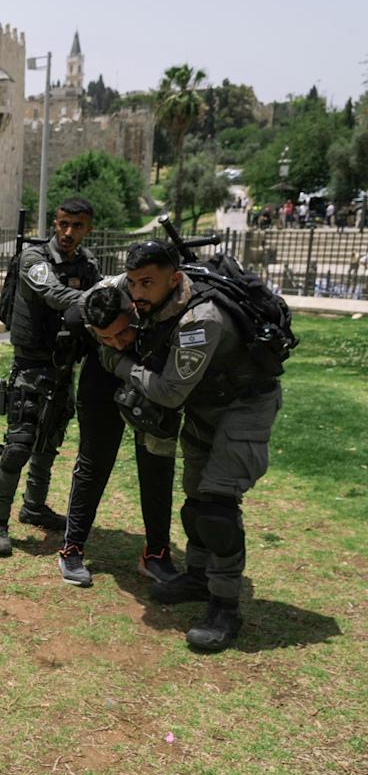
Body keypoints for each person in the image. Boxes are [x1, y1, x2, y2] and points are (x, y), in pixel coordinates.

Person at [95, 240, 282, 651]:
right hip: (207, 406)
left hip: (243, 407)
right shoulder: (153, 296)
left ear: (174, 279)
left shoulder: (201, 321)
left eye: (147, 283)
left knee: (217, 507)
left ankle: (224, 606)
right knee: (195, 502)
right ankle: (199, 577)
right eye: (133, 283)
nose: (137, 293)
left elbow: (167, 392)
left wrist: (120, 364)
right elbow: (94, 297)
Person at [0, 197, 100, 556]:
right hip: (31, 368)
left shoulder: (88, 264)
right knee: (19, 445)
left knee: (48, 443)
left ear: (88, 228)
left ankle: (34, 506)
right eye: (63, 224)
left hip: (64, 369)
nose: (68, 232)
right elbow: (51, 293)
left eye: (77, 226)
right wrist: (94, 301)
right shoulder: (33, 259)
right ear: (55, 223)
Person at [54, 286, 177, 587]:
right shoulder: (84, 317)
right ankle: (72, 549)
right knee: (93, 464)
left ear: (133, 311)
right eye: (106, 337)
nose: (117, 343)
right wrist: (106, 348)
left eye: (122, 334)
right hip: (100, 382)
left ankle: (157, 555)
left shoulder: (153, 304)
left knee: (156, 465)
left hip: (150, 380)